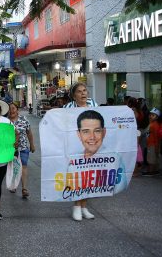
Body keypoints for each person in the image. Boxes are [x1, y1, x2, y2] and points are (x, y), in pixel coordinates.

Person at [63, 83, 98, 221]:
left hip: (91, 145)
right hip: (74, 146)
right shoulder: (68, 107)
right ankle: (76, 206)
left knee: (88, 177)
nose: (83, 93)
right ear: (73, 95)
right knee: (77, 176)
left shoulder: (93, 103)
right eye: (79, 91)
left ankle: (84, 207)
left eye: (85, 90)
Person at [8, 103, 36, 198]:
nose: (11, 110)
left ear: (17, 110)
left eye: (13, 108)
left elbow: (29, 133)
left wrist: (32, 145)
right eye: (9, 109)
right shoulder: (5, 122)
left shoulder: (24, 120)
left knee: (24, 166)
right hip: (10, 149)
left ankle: (24, 188)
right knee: (14, 167)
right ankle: (13, 185)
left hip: (23, 147)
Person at [142, 108, 161, 176]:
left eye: (153, 115)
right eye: (150, 115)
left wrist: (156, 147)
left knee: (151, 159)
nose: (150, 116)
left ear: (157, 117)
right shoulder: (151, 124)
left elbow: (156, 137)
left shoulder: (155, 125)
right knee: (151, 158)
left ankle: (151, 171)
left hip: (152, 144)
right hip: (150, 144)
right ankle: (154, 171)